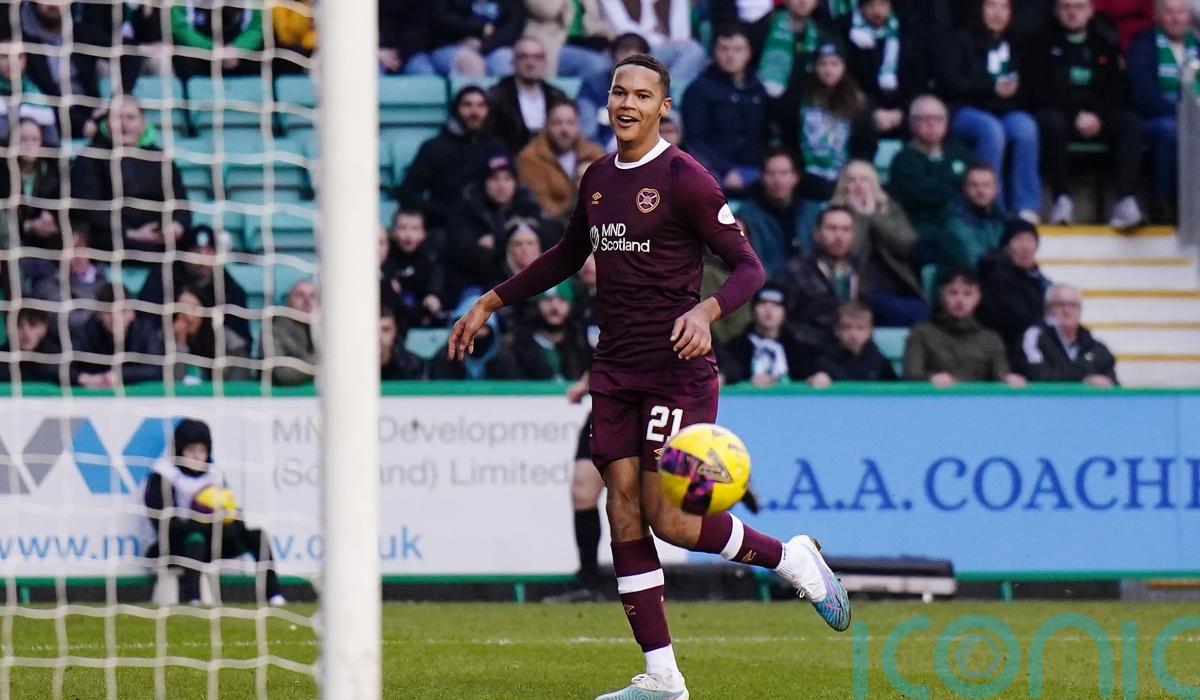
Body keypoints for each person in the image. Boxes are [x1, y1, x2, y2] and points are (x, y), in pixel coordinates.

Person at [448, 53, 848, 699]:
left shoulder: (686, 179)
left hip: (676, 372)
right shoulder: (596, 178)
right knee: (623, 511)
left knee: (674, 521)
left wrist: (707, 310)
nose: (627, 103)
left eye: (641, 94)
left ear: (663, 106)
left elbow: (749, 267)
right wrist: (491, 300)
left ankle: (791, 558)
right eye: (618, 92)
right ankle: (663, 677)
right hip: (615, 370)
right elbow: (567, 255)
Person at [143, 419, 286, 606]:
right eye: (191, 450)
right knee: (195, 540)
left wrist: (229, 523)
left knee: (257, 536)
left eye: (201, 450)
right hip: (173, 546)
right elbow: (161, 522)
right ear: (179, 450)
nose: (197, 456)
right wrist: (200, 521)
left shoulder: (213, 474)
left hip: (211, 543)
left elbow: (232, 511)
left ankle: (274, 595)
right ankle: (194, 598)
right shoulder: (163, 475)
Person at [1030, 0, 1145, 228]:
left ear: (1091, 11)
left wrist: (1097, 115)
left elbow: (1117, 88)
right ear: (1056, 11)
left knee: (1130, 123)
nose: (1073, 13)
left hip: (1096, 117)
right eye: (1066, 7)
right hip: (1060, 115)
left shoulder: (1104, 43)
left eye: (1079, 6)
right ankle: (1062, 200)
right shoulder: (1039, 41)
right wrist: (1075, 114)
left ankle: (1125, 201)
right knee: (1052, 122)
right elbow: (1037, 88)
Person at [937, 0, 1043, 222]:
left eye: (1004, 7)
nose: (998, 13)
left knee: (1026, 127)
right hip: (964, 110)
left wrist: (1016, 89)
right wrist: (990, 88)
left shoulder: (1016, 43)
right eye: (991, 6)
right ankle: (994, 204)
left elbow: (1031, 83)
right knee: (991, 130)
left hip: (1004, 110)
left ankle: (1026, 206)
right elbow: (949, 82)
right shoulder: (960, 39)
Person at [69, 96, 190, 252]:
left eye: (130, 118)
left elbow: (180, 202)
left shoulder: (160, 158)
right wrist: (131, 233)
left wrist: (176, 225)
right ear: (107, 122)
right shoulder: (91, 156)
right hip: (111, 238)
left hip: (159, 236)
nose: (123, 124)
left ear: (143, 123)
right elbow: (88, 207)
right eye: (117, 117)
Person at [829, 160, 927, 327]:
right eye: (852, 180)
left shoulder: (890, 209)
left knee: (922, 312)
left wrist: (875, 217)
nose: (858, 185)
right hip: (860, 289)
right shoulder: (836, 214)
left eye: (864, 179)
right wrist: (860, 217)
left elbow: (906, 245)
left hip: (898, 285)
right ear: (843, 185)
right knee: (911, 312)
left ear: (874, 184)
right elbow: (851, 253)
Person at [397, 86, 509, 230]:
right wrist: (444, 213)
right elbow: (408, 193)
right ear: (456, 110)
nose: (474, 112)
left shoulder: (497, 147)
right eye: (467, 105)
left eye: (481, 106)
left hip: (491, 227)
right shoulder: (434, 147)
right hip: (445, 228)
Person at [1127, 0, 1197, 222]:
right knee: (1172, 131)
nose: (1175, 19)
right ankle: (1163, 202)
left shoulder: (1196, 46)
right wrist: (1186, 115)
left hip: (1194, 119)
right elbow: (1144, 96)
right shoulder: (1143, 46)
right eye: (1169, 13)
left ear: (1189, 17)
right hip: (1154, 120)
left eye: (1180, 13)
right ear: (1157, 17)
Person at [887, 95, 976, 266]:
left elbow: (976, 182)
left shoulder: (959, 152)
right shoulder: (904, 160)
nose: (932, 124)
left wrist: (948, 185)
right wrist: (956, 183)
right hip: (925, 227)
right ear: (912, 123)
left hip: (965, 222)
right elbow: (922, 195)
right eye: (925, 119)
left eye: (938, 119)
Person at [681, 23, 769, 196]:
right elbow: (694, 141)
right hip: (714, 173)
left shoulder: (757, 89)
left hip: (758, 170)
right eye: (724, 49)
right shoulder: (698, 89)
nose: (730, 56)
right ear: (714, 51)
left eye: (738, 50)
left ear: (749, 53)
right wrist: (724, 171)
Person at [782, 42, 876, 199]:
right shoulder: (799, 99)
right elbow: (789, 137)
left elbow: (866, 143)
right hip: (806, 178)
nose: (828, 70)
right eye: (823, 64)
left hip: (846, 179)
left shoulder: (858, 102)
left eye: (834, 64)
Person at [903, 269, 1027, 386]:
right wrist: (929, 379)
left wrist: (1009, 379)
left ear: (977, 297)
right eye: (953, 293)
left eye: (967, 294)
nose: (960, 300)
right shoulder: (921, 333)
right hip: (935, 399)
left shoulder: (990, 339)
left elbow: (1001, 376)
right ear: (942, 295)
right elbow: (910, 376)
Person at [138, 226, 251, 350]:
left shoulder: (231, 290)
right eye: (196, 251)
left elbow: (242, 343)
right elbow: (145, 326)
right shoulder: (162, 280)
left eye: (209, 251)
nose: (202, 258)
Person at [773, 205, 862, 355]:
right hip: (807, 353)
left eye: (846, 229)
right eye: (832, 229)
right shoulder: (795, 271)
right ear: (817, 233)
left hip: (853, 353)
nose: (839, 236)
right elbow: (783, 321)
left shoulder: (862, 270)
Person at [736, 150, 828, 277]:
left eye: (783, 173)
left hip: (811, 282)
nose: (777, 180)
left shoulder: (813, 212)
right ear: (762, 178)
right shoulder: (747, 216)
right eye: (771, 173)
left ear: (795, 177)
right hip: (768, 283)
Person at [840, 0, 922, 138]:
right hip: (863, 110)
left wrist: (902, 112)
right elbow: (849, 82)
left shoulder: (906, 33)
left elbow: (917, 79)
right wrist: (872, 110)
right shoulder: (849, 36)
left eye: (882, 5)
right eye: (871, 5)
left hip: (902, 110)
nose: (877, 11)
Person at [516, 99, 606, 220]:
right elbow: (541, 204)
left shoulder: (595, 153)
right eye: (557, 123)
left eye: (570, 123)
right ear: (546, 125)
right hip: (553, 225)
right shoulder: (529, 158)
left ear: (578, 124)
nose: (564, 130)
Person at [1015, 282, 1118, 385]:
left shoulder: (1095, 349)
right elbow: (1039, 376)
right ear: (1048, 309)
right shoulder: (1034, 339)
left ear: (1080, 310)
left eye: (1073, 305)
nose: (1067, 311)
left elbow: (1113, 385)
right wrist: (1084, 381)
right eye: (1060, 305)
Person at [69, 283, 165, 387]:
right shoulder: (85, 332)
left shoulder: (145, 330)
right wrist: (85, 378)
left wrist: (119, 375)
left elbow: (157, 369)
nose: (115, 317)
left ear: (132, 313)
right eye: (108, 311)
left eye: (123, 311)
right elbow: (61, 368)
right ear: (98, 315)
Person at [491, 281, 591, 379]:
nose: (554, 307)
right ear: (537, 305)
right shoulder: (518, 349)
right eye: (548, 300)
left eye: (562, 300)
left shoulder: (580, 345)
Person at [719, 286, 816, 386]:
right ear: (753, 310)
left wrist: (819, 376)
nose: (769, 311)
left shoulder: (798, 349)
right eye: (763, 303)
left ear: (785, 312)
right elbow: (729, 372)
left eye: (776, 305)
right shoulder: (735, 348)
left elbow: (812, 373)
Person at [977, 218, 1051, 348]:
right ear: (1006, 246)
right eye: (1019, 240)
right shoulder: (996, 276)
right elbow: (1016, 321)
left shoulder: (1037, 279)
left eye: (1030, 240)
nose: (1025, 247)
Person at [597, 0, 710, 85]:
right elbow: (624, 31)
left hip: (662, 49)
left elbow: (681, 35)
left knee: (694, 51)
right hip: (627, 49)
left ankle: (665, 91)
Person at [489, 36, 571, 153]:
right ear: (513, 63)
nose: (531, 63)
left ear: (545, 63)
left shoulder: (557, 96)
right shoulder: (497, 95)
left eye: (537, 57)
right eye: (524, 57)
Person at [27, 229, 108, 335]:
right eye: (69, 250)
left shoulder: (106, 280)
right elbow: (67, 321)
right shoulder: (48, 286)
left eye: (79, 247)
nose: (76, 256)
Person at [577, 32, 651, 142]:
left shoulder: (657, 87)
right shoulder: (592, 86)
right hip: (601, 148)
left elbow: (665, 126)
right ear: (612, 59)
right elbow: (587, 132)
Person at [170, 287, 252, 383]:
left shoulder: (230, 344)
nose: (185, 314)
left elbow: (238, 383)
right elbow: (175, 382)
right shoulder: (166, 340)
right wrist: (180, 344)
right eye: (180, 308)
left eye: (192, 308)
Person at [807, 300, 898, 386]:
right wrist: (817, 379)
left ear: (870, 331)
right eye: (846, 327)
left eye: (860, 328)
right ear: (836, 330)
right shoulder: (822, 360)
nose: (853, 334)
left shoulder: (879, 362)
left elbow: (895, 389)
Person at [381, 209, 446, 328]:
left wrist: (433, 294)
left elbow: (436, 280)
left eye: (415, 229)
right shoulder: (386, 254)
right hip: (393, 312)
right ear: (393, 232)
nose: (408, 234)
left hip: (420, 312)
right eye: (402, 228)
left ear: (423, 233)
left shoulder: (430, 257)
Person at [757, 0, 834, 99]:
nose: (803, 1)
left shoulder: (821, 35)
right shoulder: (767, 25)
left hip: (804, 100)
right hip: (763, 98)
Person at [941, 164, 1008, 278]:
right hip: (970, 281)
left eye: (986, 185)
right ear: (965, 189)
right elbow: (973, 262)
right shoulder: (955, 220)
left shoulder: (1002, 218)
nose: (980, 190)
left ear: (996, 189)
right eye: (974, 185)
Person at [169, 1, 264, 80]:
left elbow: (257, 27)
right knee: (183, 60)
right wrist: (212, 48)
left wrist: (237, 49)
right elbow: (180, 27)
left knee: (263, 58)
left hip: (239, 53)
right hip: (201, 52)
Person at [429, 0, 527, 77]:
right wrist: (478, 29)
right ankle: (472, 98)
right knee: (471, 63)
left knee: (506, 61)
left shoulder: (511, 3)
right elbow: (440, 20)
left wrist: (483, 46)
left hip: (493, 46)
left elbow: (511, 29)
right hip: (450, 46)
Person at [523, 0, 613, 77]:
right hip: (551, 43)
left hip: (584, 41)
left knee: (615, 61)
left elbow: (593, 18)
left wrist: (606, 32)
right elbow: (548, 10)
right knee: (596, 64)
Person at [0, 39, 58, 145]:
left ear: (26, 59)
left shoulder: (35, 94)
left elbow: (52, 143)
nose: (12, 62)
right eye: (4, 56)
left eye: (19, 56)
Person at [267, 278, 318, 386]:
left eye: (313, 296)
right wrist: (322, 359)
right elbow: (281, 374)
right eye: (300, 295)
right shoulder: (274, 329)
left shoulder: (330, 328)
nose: (307, 301)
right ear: (288, 301)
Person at [0, 307, 62, 384]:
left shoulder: (59, 360)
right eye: (18, 325)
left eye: (33, 325)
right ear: (7, 328)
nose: (26, 334)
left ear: (44, 328)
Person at [379, 305, 424, 380]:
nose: (379, 336)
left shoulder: (411, 364)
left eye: (386, 330)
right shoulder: (357, 364)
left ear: (395, 331)